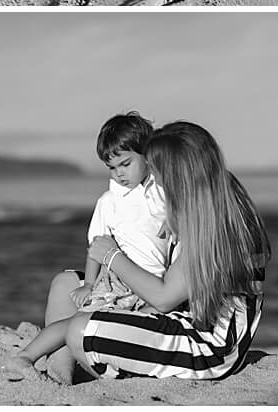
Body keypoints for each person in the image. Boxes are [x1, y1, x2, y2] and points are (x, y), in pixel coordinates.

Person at [5, 122, 269, 384]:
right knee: (65, 285)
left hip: (205, 344)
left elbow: (165, 298)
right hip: (176, 311)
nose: (154, 180)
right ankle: (60, 378)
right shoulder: (195, 199)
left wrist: (112, 256)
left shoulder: (215, 217)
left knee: (81, 329)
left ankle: (92, 362)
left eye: (158, 171)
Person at [16, 111, 170, 384]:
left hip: (155, 284)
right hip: (119, 282)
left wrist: (174, 219)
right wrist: (89, 284)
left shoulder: (163, 192)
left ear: (148, 155)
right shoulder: (109, 201)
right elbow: (96, 245)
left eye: (126, 163)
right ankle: (27, 357)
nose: (120, 173)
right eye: (112, 167)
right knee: (75, 324)